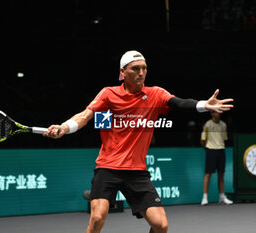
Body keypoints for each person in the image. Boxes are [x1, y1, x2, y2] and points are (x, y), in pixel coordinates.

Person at [44, 50, 234, 233]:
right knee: (97, 218)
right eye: (135, 68)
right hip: (108, 167)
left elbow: (179, 102)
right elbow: (85, 116)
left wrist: (203, 105)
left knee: (161, 225)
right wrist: (64, 127)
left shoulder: (155, 94)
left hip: (136, 172)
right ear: (122, 72)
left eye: (144, 68)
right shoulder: (108, 94)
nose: (141, 72)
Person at [200, 110, 233, 206]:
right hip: (211, 150)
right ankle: (205, 198)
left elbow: (224, 139)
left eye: (219, 112)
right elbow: (202, 140)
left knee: (221, 174)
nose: (218, 114)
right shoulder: (207, 125)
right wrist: (208, 148)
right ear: (212, 114)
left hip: (221, 150)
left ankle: (222, 197)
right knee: (208, 174)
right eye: (216, 112)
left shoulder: (223, 125)